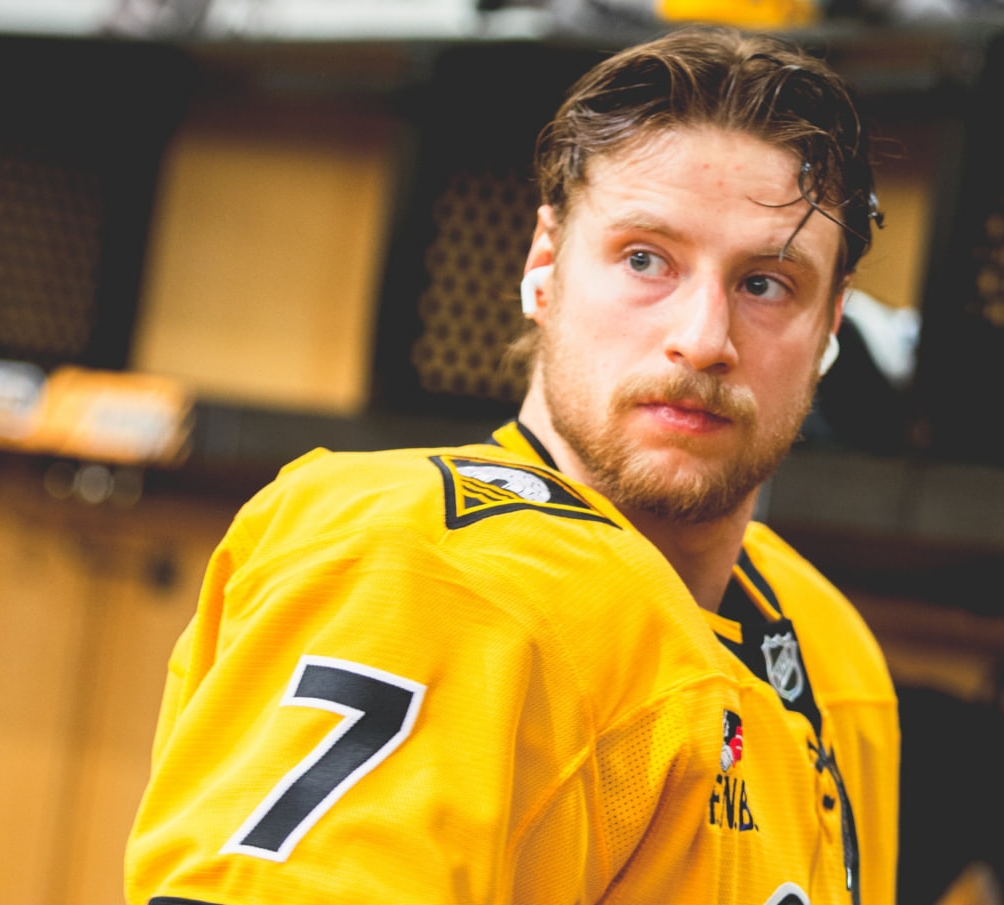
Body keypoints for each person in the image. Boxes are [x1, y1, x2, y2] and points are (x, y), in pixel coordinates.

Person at [125, 25, 899, 905]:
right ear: (545, 264)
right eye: (646, 260)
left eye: (765, 284)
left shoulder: (835, 655)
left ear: (831, 325)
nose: (702, 339)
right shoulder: (423, 565)